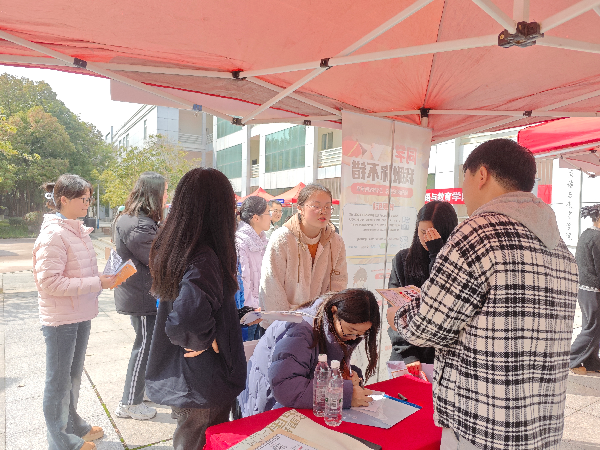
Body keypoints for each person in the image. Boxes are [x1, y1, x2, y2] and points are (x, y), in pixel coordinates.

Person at [387, 139, 578, 450]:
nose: (463, 190)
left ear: (481, 175)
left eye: (463, 177)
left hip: (481, 423)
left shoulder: (477, 233)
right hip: (542, 424)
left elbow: (426, 326)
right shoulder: (560, 248)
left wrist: (398, 314)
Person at [145, 168, 246, 450]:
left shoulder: (178, 245)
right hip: (203, 379)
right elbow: (186, 319)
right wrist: (205, 339)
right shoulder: (204, 257)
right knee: (198, 441)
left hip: (188, 376)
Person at [33, 174, 115, 450]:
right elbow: (50, 282)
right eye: (83, 199)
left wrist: (103, 279)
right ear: (63, 200)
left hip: (79, 313)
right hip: (60, 319)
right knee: (58, 381)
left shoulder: (75, 230)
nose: (87, 204)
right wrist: (96, 282)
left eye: (89, 199)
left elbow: (79, 273)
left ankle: (71, 424)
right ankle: (60, 440)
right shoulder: (54, 235)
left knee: (73, 376)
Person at [239, 288, 379, 417]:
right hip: (268, 407)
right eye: (350, 331)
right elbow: (286, 387)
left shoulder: (332, 326)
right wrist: (342, 394)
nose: (353, 338)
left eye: (360, 334)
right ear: (334, 311)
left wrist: (346, 375)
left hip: (298, 403)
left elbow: (317, 367)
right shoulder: (299, 331)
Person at [113, 172, 167, 420]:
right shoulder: (139, 225)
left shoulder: (135, 219)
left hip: (140, 292)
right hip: (142, 295)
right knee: (143, 347)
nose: (166, 198)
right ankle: (129, 403)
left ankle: (138, 392)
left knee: (147, 346)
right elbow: (158, 259)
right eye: (164, 192)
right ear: (153, 194)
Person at [387, 201, 458, 376]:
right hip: (406, 353)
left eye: (433, 233)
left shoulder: (458, 263)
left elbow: (442, 294)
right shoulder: (403, 259)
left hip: (442, 357)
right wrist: (408, 354)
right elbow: (395, 312)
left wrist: (437, 253)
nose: (427, 238)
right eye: (423, 232)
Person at [260, 184, 347, 319]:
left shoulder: (336, 241)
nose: (323, 211)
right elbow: (272, 285)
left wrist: (324, 317)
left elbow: (338, 283)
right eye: (316, 206)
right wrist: (285, 321)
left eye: (328, 206)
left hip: (319, 320)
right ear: (300, 208)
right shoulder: (283, 238)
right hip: (283, 322)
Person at [570, 204, 600, 374]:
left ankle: (591, 361)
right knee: (593, 328)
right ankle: (571, 358)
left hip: (584, 289)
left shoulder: (586, 234)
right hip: (595, 290)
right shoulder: (597, 238)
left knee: (591, 326)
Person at [236, 196, 270, 341]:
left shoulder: (263, 241)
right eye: (268, 213)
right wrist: (251, 309)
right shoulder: (240, 242)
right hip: (248, 313)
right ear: (256, 218)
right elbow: (242, 281)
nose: (271, 217)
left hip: (261, 310)